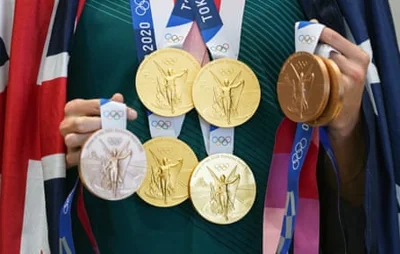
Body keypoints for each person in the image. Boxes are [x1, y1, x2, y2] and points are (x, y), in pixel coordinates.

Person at [60, 0, 369, 253]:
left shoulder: (305, 9)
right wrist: (58, 146)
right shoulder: (69, 11)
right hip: (113, 235)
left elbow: (361, 198)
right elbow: (32, 160)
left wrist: (347, 127)